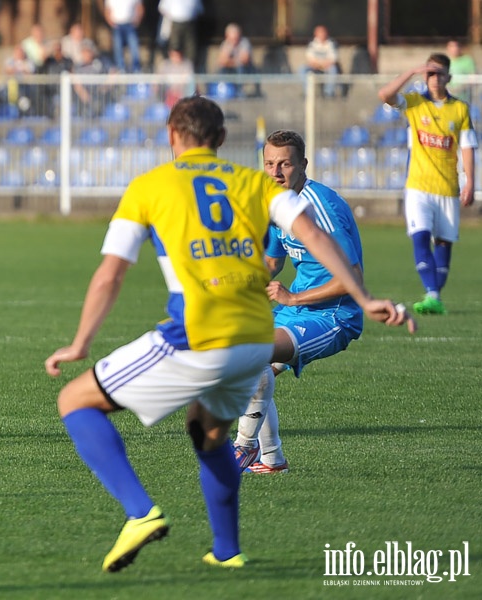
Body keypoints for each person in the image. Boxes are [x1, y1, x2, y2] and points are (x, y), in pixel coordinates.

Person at [44, 95, 413, 573]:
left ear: (172, 136)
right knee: (208, 435)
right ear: (221, 140)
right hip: (253, 338)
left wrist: (80, 343)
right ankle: (227, 550)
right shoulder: (250, 184)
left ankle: (139, 513)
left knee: (74, 400)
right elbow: (312, 236)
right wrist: (365, 298)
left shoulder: (149, 186)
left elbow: (111, 275)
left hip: (199, 336)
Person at [233, 130, 366, 474]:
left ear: (303, 164)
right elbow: (273, 263)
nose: (276, 172)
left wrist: (293, 297)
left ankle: (242, 448)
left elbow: (351, 279)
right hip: (296, 310)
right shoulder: (279, 203)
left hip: (334, 315)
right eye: (269, 164)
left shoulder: (319, 205)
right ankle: (272, 460)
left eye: (285, 164)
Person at [378, 54, 477, 315]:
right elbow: (384, 95)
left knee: (444, 244)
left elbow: (467, 147)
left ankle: (435, 296)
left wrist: (470, 183)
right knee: (420, 237)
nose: (435, 79)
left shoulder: (460, 109)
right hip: (418, 187)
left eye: (440, 73)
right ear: (425, 76)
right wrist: (410, 72)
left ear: (449, 77)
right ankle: (433, 294)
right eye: (430, 73)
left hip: (448, 189)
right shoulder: (414, 102)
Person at [158, 0, 203, 73]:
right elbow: (162, 8)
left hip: (190, 23)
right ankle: (172, 73)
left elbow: (199, 9)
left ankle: (189, 73)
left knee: (191, 50)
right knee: (174, 47)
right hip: (174, 22)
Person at [216, 22, 260, 97]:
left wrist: (230, 61)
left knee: (240, 68)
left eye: (236, 38)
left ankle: (240, 92)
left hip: (246, 69)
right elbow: (221, 61)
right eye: (232, 39)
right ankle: (221, 90)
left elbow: (245, 60)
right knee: (221, 70)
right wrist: (233, 58)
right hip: (231, 69)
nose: (235, 41)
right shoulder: (225, 44)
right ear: (227, 37)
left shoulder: (244, 42)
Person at [104, 0, 144, 73]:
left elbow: (140, 7)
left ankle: (136, 69)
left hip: (130, 24)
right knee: (118, 48)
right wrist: (110, 22)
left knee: (134, 47)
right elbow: (107, 10)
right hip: (117, 25)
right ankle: (120, 69)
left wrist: (137, 21)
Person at [301, 25, 340, 98]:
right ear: (315, 34)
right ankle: (308, 92)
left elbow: (333, 59)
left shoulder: (331, 43)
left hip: (327, 67)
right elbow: (310, 59)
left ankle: (328, 93)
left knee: (333, 69)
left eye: (323, 32)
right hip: (315, 67)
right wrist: (318, 65)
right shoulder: (312, 43)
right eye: (319, 33)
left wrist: (323, 64)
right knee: (302, 69)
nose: (322, 34)